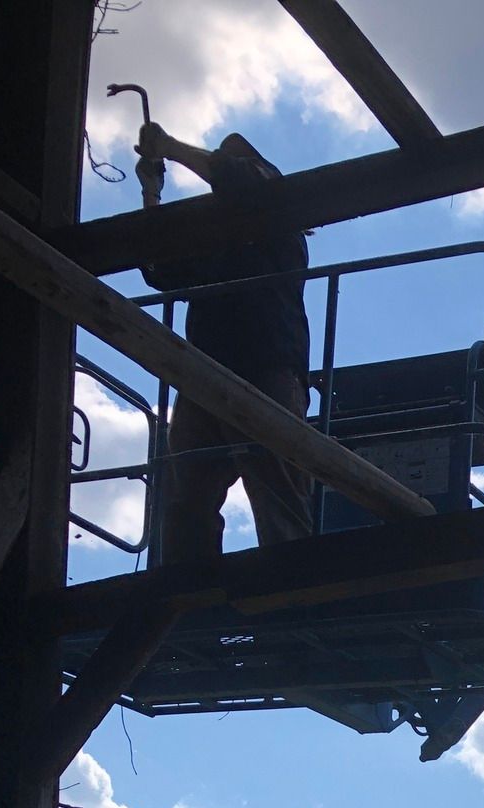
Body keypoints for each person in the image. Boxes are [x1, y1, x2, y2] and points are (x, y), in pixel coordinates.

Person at [136, 125, 313, 562]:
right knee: (189, 497)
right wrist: (152, 192)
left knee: (275, 490)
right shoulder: (217, 241)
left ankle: (289, 578)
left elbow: (239, 180)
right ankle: (189, 582)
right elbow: (162, 268)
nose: (225, 163)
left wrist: (170, 148)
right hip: (208, 373)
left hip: (264, 368)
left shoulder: (278, 222)